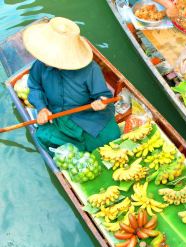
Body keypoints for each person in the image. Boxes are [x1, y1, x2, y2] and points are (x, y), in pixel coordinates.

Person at [23, 17, 121, 152]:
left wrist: (101, 103)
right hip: (56, 116)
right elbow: (34, 87)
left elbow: (103, 96)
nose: (44, 59)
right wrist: (42, 108)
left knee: (112, 135)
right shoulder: (40, 65)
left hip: (86, 115)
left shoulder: (90, 69)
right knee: (43, 136)